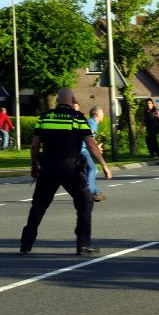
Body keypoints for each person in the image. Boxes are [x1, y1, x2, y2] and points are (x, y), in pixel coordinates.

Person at [20, 87, 112, 256]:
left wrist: (34, 166)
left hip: (48, 168)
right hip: (71, 168)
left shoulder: (45, 117)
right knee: (85, 202)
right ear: (72, 100)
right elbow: (91, 144)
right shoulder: (77, 118)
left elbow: (34, 145)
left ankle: (26, 243)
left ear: (57, 100)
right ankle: (83, 244)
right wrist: (104, 165)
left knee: (39, 205)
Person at [81, 106, 106, 202]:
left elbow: (90, 137)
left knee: (89, 170)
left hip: (81, 148)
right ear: (96, 115)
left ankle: (95, 191)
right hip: (82, 149)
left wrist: (97, 147)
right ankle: (90, 192)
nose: (103, 115)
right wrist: (95, 147)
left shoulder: (90, 122)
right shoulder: (93, 123)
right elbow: (88, 138)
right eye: (102, 113)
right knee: (92, 168)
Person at [142, 98, 159, 165]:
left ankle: (153, 153)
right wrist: (141, 127)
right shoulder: (145, 111)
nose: (148, 105)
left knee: (149, 139)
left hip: (155, 129)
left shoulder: (156, 111)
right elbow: (144, 120)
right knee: (152, 142)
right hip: (149, 129)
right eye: (147, 103)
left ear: (152, 104)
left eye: (149, 103)